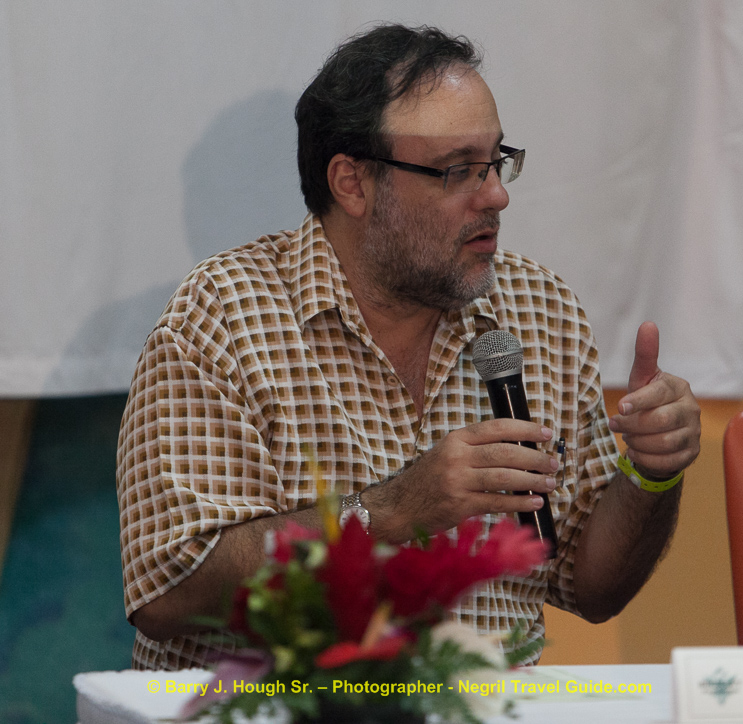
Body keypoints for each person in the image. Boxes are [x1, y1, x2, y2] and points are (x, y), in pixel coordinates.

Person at [117, 24, 701, 671]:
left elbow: (593, 589)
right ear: (353, 184)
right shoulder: (223, 317)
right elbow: (170, 592)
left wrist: (651, 471)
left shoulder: (542, 309)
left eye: (496, 161)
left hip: (485, 707)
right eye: (458, 170)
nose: (497, 194)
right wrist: (393, 511)